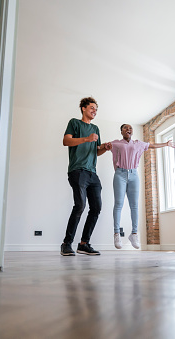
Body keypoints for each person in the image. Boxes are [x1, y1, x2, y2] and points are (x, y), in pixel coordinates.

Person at [109, 124, 175, 249]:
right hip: (120, 174)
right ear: (121, 131)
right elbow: (103, 147)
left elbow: (151, 145)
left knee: (134, 205)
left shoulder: (138, 143)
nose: (128, 129)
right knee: (118, 204)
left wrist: (166, 144)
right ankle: (116, 234)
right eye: (125, 128)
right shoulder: (116, 143)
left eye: (130, 128)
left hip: (134, 174)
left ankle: (134, 234)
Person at [60, 97, 112, 256]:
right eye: (91, 108)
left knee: (96, 207)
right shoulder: (74, 123)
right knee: (80, 205)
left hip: (92, 173)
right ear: (83, 108)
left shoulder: (96, 128)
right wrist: (86, 139)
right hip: (77, 170)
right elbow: (66, 141)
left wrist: (105, 147)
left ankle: (84, 244)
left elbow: (96, 151)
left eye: (96, 109)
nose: (94, 111)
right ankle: (66, 244)